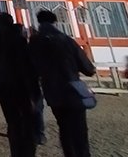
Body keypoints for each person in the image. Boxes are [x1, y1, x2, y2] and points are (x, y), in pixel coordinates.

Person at [29, 10, 96, 157]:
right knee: (79, 130)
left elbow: (31, 68)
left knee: (64, 127)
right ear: (55, 22)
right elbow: (88, 68)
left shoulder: (35, 41)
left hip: (52, 91)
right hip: (73, 88)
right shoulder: (66, 39)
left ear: (39, 22)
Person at [0, 13, 40, 157]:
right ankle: (28, 152)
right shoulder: (18, 39)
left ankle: (16, 151)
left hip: (2, 87)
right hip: (22, 86)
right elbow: (29, 63)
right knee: (27, 120)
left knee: (13, 121)